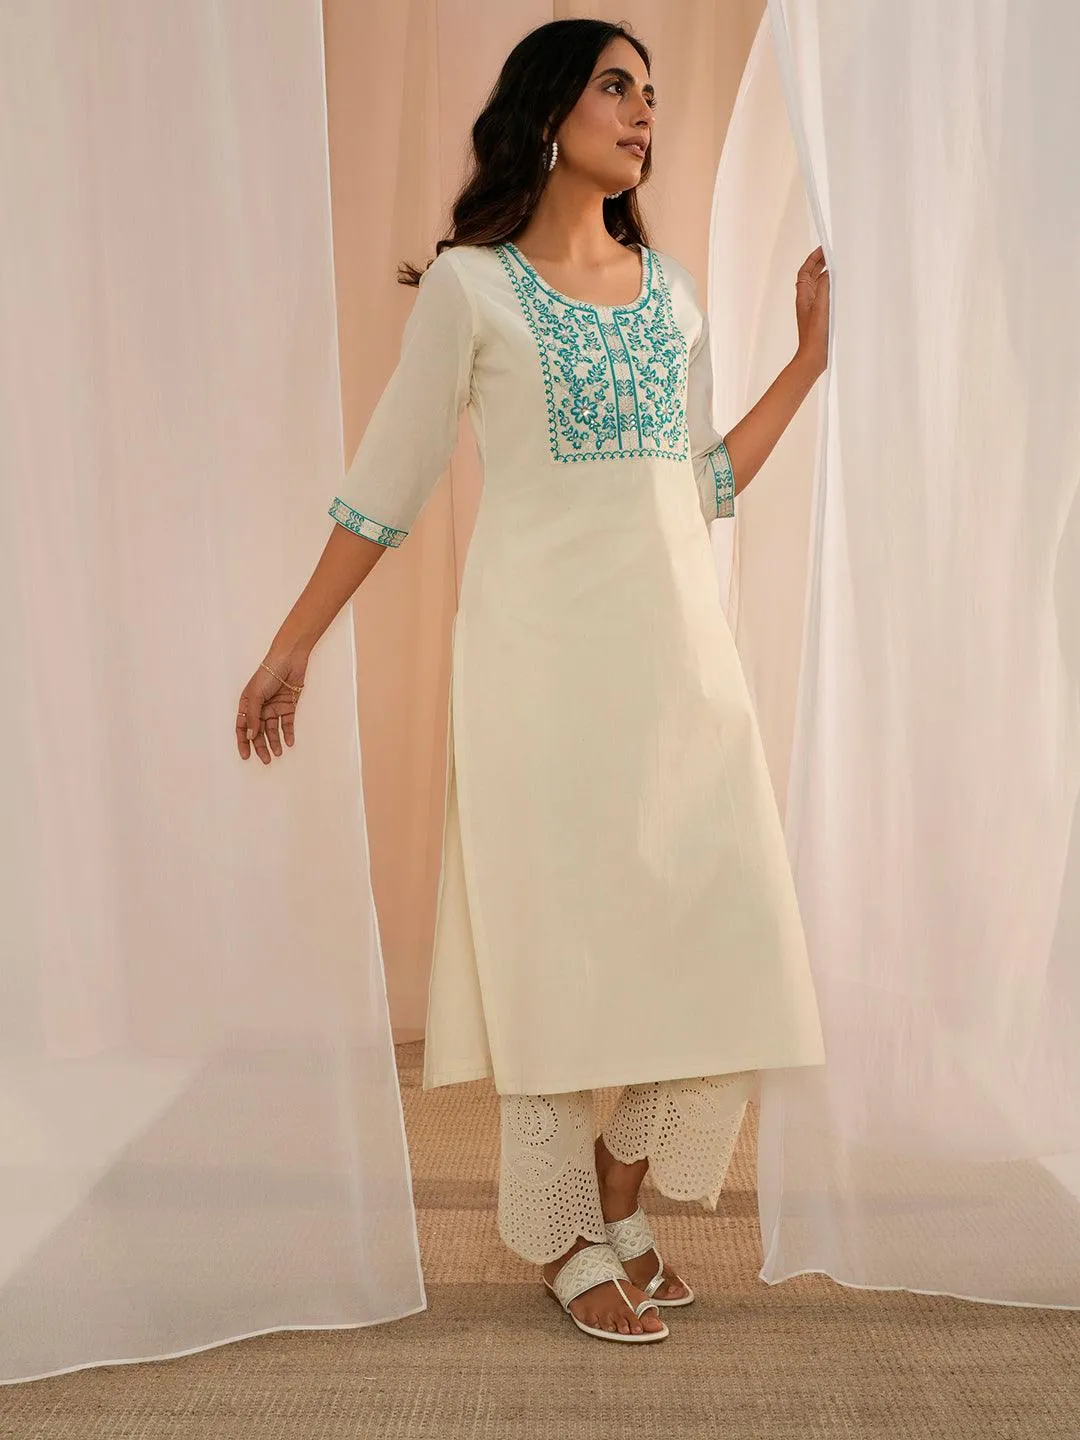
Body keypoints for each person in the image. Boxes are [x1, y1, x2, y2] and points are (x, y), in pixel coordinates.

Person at [235, 18, 829, 1344]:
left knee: (732, 941)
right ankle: (565, 1236)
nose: (643, 111)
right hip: (541, 676)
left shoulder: (673, 294)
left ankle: (620, 1194)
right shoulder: (472, 291)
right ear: (549, 110)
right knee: (556, 952)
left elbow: (700, 485)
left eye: (652, 92)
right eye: (617, 86)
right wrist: (293, 642)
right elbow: (387, 487)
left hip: (683, 672)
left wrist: (808, 363)